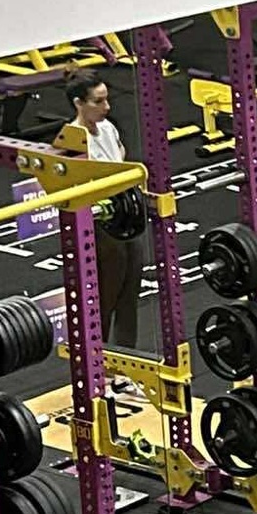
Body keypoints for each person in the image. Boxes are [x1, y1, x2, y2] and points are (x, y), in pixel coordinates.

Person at [64, 69, 146, 378]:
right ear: (79, 103)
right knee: (106, 296)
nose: (107, 107)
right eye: (98, 101)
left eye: (106, 99)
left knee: (130, 294)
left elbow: (120, 156)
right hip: (100, 226)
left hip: (126, 219)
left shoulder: (108, 128)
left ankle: (126, 364)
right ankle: (100, 366)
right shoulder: (73, 139)